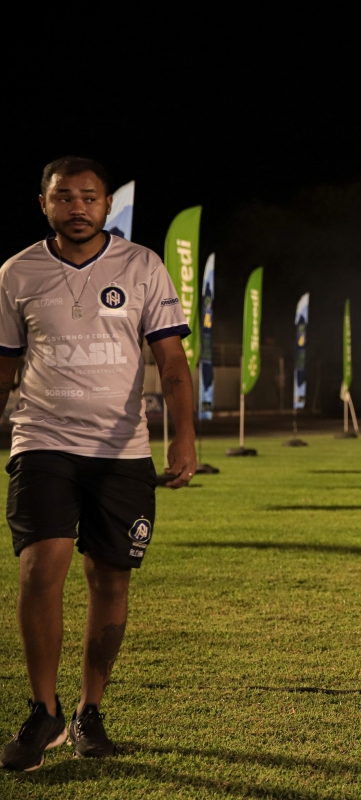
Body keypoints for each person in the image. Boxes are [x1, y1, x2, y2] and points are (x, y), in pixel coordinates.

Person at [0, 157, 197, 770]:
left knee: (110, 579)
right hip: (42, 439)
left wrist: (183, 437)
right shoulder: (17, 272)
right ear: (43, 203)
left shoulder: (143, 266)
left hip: (122, 450)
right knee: (40, 569)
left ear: (107, 204)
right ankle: (44, 712)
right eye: (64, 197)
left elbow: (171, 361)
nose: (77, 207)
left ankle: (90, 711)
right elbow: (4, 366)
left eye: (89, 197)